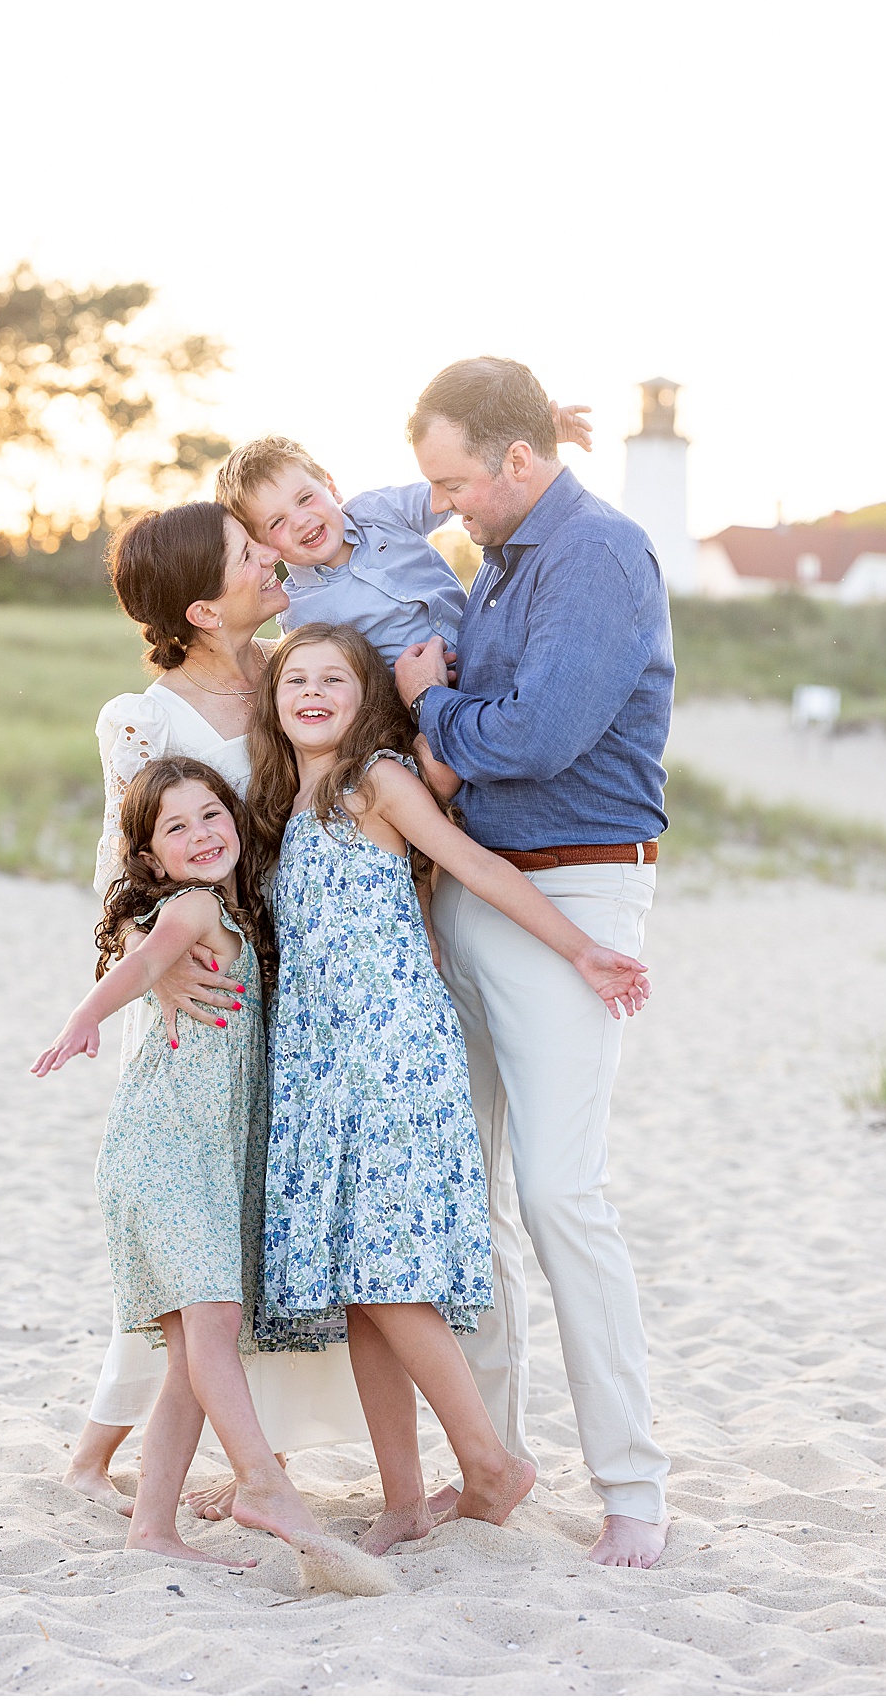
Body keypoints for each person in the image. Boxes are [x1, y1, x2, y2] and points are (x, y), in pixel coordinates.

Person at [247, 624, 651, 1557]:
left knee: (387, 1277)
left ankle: (491, 1464)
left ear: (366, 698)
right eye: (293, 679)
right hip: (318, 1058)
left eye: (333, 679)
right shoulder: (284, 798)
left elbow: (474, 866)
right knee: (356, 1288)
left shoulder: (375, 780)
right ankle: (400, 1498)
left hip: (388, 1049)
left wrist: (581, 947)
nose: (311, 693)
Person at [394, 356, 675, 1569]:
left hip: (576, 883)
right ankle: (491, 1459)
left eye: (460, 482)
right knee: (475, 1203)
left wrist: (427, 710)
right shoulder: (501, 551)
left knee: (563, 1192)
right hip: (473, 889)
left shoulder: (598, 553)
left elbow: (539, 734)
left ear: (519, 460)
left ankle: (634, 1485)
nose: (446, 507)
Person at [67, 501, 368, 1512]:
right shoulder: (142, 718)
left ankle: (250, 1457)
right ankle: (110, 1450)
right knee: (190, 1233)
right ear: (201, 606)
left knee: (246, 1222)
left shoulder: (301, 671)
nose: (270, 554)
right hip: (200, 985)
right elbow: (124, 869)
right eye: (249, 551)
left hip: (296, 975)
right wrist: (153, 968)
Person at [213, 405, 591, 668]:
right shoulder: (299, 612)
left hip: (488, 654)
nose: (299, 521)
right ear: (262, 544)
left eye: (306, 498)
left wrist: (536, 434)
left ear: (331, 486)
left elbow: (458, 486)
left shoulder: (380, 511)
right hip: (413, 705)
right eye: (276, 522)